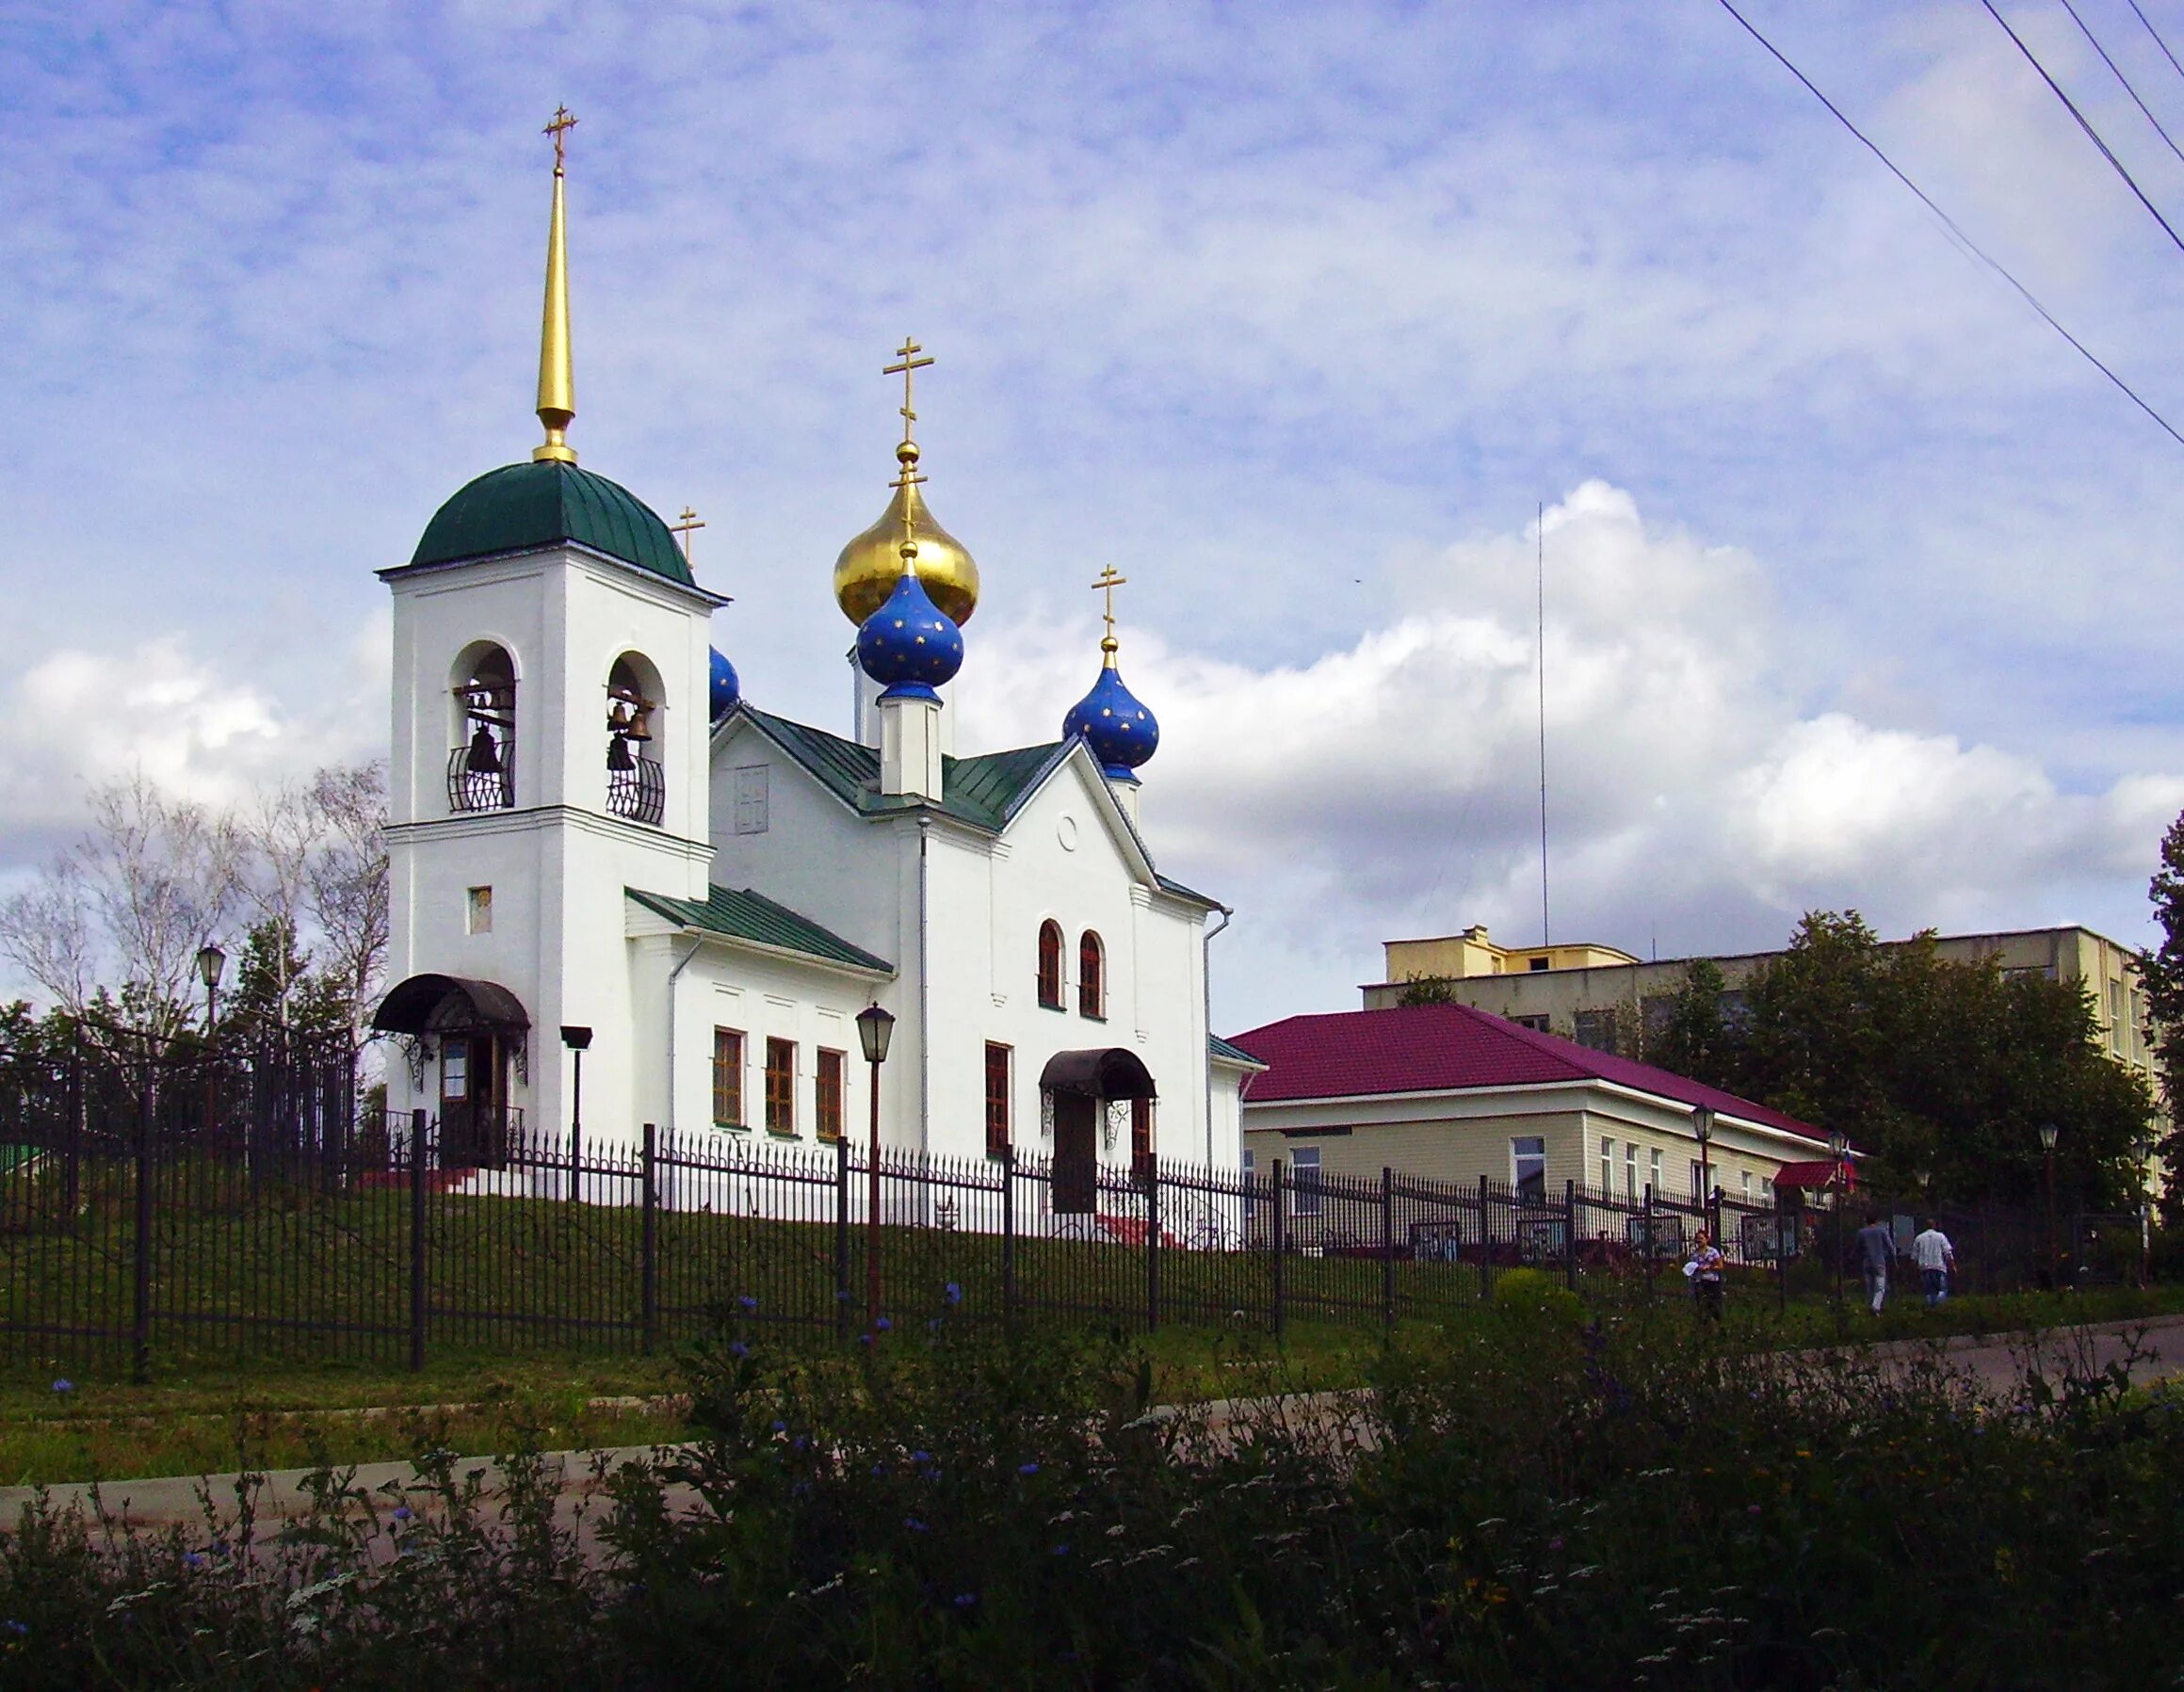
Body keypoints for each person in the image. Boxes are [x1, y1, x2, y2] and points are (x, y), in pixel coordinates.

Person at [1853, 1212, 1896, 1315]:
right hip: (1879, 1261)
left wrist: (1854, 1257)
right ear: (1876, 1221)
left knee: (1870, 1286)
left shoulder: (1861, 1232)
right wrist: (1894, 1259)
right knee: (1880, 1287)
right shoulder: (1881, 1231)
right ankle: (1876, 1307)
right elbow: (1890, 1246)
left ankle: (1871, 1306)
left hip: (1867, 1262)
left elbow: (1857, 1247)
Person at [1912, 1217, 1956, 1306]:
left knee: (1929, 1291)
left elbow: (1914, 1257)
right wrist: (1953, 1265)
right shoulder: (1941, 1236)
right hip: (1939, 1267)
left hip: (1924, 1267)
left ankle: (1930, 1308)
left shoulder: (1919, 1238)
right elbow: (1947, 1253)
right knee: (1942, 1289)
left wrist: (1914, 1269)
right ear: (1934, 1226)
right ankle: (1939, 1306)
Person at [1685, 1229, 1726, 1321]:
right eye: (1697, 1239)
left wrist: (1709, 1267)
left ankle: (1718, 1322)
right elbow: (1692, 1267)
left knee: (1714, 1304)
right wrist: (1696, 1268)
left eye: (1701, 1238)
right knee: (1702, 1305)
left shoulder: (1713, 1252)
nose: (1699, 1241)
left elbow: (1720, 1266)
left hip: (1712, 1281)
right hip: (1699, 1281)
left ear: (1706, 1239)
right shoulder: (1694, 1254)